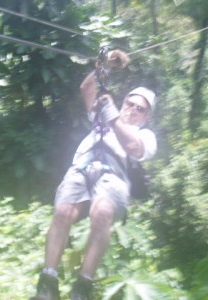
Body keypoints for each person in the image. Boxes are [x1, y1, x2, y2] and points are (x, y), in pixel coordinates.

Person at [32, 50, 157, 300]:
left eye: (139, 109)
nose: (132, 109)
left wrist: (112, 116)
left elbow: (133, 147)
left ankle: (83, 286)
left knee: (102, 213)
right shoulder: (103, 113)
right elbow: (87, 88)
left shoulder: (146, 136)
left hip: (114, 176)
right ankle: (48, 282)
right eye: (129, 103)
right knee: (63, 212)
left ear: (147, 116)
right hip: (83, 167)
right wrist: (107, 64)